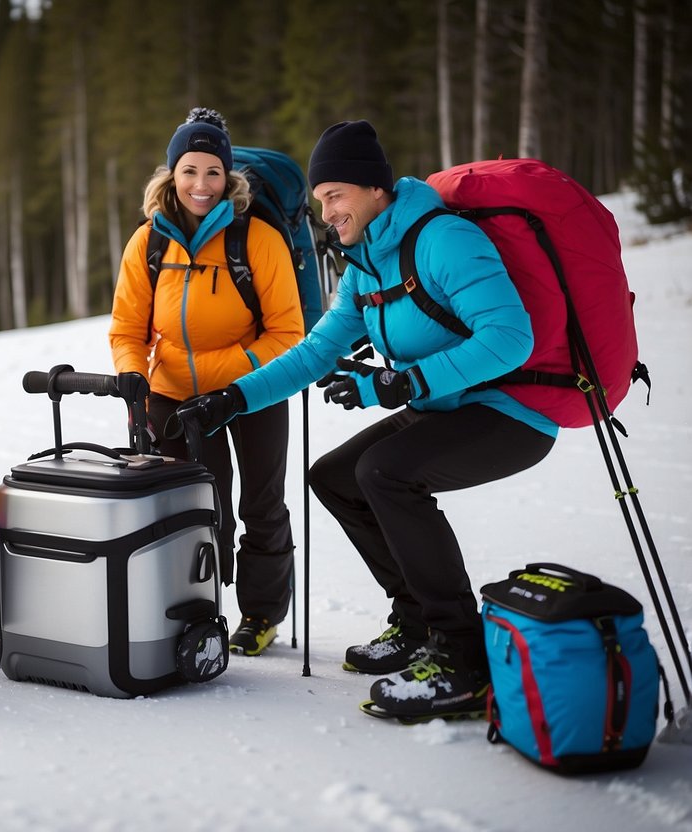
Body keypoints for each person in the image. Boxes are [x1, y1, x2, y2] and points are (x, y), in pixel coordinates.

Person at [174, 120, 556, 720]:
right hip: (444, 407)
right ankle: (413, 621)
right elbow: (313, 353)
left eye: (335, 196)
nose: (327, 213)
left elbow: (511, 338)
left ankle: (461, 654)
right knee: (336, 476)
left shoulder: (442, 240)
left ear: (376, 189)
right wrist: (231, 399)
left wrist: (402, 382)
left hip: (513, 411)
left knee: (384, 472)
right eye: (321, 199)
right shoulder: (365, 265)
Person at [109, 107, 305, 657]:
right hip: (171, 396)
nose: (201, 184)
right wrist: (131, 375)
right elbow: (128, 327)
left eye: (213, 172)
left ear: (228, 176)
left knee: (261, 504)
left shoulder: (258, 239)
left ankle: (260, 613)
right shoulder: (147, 244)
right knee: (188, 509)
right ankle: (187, 607)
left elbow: (288, 333)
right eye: (190, 170)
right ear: (171, 174)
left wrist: (228, 388)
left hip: (254, 392)